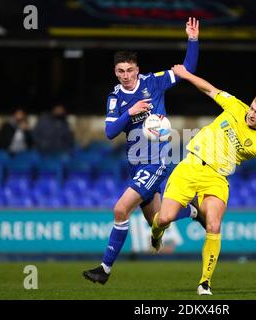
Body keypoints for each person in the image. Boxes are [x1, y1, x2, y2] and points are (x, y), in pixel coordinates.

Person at [83, 17, 205, 285]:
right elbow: (110, 132)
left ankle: (104, 269)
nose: (126, 75)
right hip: (136, 162)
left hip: (157, 159)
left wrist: (192, 40)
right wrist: (131, 111)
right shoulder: (115, 97)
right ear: (115, 72)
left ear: (137, 69)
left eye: (130, 70)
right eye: (120, 71)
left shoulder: (154, 82)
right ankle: (195, 211)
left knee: (120, 210)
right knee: (159, 222)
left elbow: (187, 70)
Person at [150, 64, 256, 295]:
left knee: (213, 225)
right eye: (252, 107)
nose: (251, 113)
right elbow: (209, 89)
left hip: (216, 178)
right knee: (164, 218)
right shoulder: (235, 106)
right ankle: (156, 233)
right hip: (190, 166)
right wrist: (185, 74)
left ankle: (204, 282)